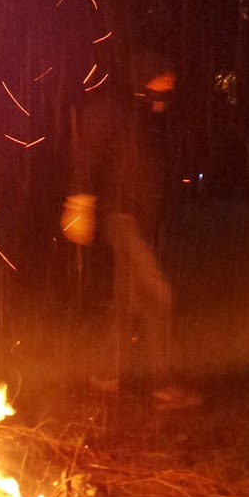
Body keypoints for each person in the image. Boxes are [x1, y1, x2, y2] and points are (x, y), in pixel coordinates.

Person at [61, 55, 188, 401]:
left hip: (140, 222)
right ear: (149, 73)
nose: (171, 83)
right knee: (159, 298)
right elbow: (87, 149)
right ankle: (162, 383)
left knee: (124, 305)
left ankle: (104, 374)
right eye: (165, 77)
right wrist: (80, 201)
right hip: (123, 219)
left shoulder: (152, 114)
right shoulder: (120, 108)